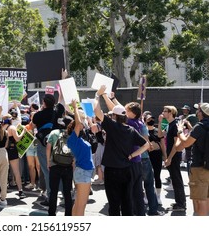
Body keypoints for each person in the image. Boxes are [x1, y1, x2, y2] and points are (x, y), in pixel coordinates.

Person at [94, 85, 149, 216]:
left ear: (114, 116)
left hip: (112, 170)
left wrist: (98, 95)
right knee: (127, 202)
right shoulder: (131, 130)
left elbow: (97, 111)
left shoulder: (112, 126)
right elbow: (146, 144)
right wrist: (132, 155)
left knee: (114, 204)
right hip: (127, 169)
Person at [175, 102, 209, 216]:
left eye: (198, 110)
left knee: (201, 200)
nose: (197, 112)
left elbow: (185, 143)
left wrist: (180, 131)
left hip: (200, 168)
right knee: (207, 198)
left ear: (202, 113)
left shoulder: (200, 126)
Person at [32, 93, 65, 206]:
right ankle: (66, 196)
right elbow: (61, 103)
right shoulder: (58, 110)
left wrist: (41, 109)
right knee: (61, 168)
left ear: (44, 103)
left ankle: (51, 198)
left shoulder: (38, 115)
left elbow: (32, 125)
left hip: (43, 145)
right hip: (57, 143)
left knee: (47, 171)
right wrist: (60, 93)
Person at [46, 104, 75, 216]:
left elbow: (48, 147)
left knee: (53, 191)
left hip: (55, 164)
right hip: (68, 166)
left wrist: (49, 161)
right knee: (67, 192)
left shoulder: (54, 133)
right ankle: (68, 214)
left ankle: (52, 213)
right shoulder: (72, 134)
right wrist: (73, 162)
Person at [67, 99, 94, 216]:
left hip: (83, 171)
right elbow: (78, 123)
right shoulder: (73, 139)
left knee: (78, 202)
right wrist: (75, 108)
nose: (82, 123)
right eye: (81, 122)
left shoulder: (79, 139)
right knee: (81, 204)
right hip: (83, 172)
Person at [163, 105, 187, 211]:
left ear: (171, 112)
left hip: (174, 156)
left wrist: (169, 158)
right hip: (172, 156)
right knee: (175, 179)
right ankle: (179, 202)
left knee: (177, 180)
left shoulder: (174, 125)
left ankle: (181, 204)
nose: (163, 112)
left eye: (165, 111)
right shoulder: (170, 124)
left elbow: (176, 143)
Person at [2, 113, 26, 198]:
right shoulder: (12, 128)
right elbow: (17, 138)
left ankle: (2, 191)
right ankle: (20, 190)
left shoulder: (0, 129)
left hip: (2, 151)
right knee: (16, 171)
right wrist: (24, 131)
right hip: (12, 150)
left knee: (3, 172)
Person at [145, 113, 166, 205]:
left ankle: (158, 196)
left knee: (157, 175)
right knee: (146, 177)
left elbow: (162, 144)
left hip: (157, 155)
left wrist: (165, 157)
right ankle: (146, 196)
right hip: (147, 155)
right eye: (148, 119)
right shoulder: (143, 130)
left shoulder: (158, 131)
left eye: (152, 118)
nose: (151, 120)